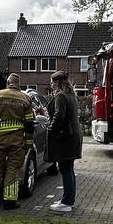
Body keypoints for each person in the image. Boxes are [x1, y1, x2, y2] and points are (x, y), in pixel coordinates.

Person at [0, 72, 34, 210]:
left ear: (7, 83)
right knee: (12, 169)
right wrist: (28, 143)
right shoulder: (26, 99)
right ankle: (9, 202)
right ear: (19, 85)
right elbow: (29, 124)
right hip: (16, 141)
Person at [46, 70, 83, 213]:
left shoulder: (61, 96)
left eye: (52, 81)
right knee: (69, 169)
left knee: (65, 169)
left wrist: (51, 129)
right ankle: (68, 199)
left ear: (57, 83)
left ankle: (67, 202)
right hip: (74, 136)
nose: (51, 84)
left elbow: (58, 116)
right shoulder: (71, 95)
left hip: (66, 138)